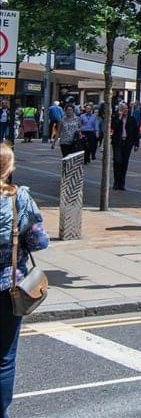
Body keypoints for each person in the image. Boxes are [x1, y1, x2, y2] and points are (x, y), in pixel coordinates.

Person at [0, 142, 49, 414]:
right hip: (9, 287)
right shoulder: (19, 198)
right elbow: (39, 240)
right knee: (4, 357)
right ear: (8, 169)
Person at [110, 101, 139, 191]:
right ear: (120, 110)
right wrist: (119, 117)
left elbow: (136, 132)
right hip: (118, 143)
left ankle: (122, 184)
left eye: (126, 109)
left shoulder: (132, 119)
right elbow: (113, 127)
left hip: (127, 143)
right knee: (117, 162)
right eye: (123, 109)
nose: (125, 111)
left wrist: (136, 144)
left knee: (124, 164)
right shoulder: (115, 117)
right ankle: (116, 182)